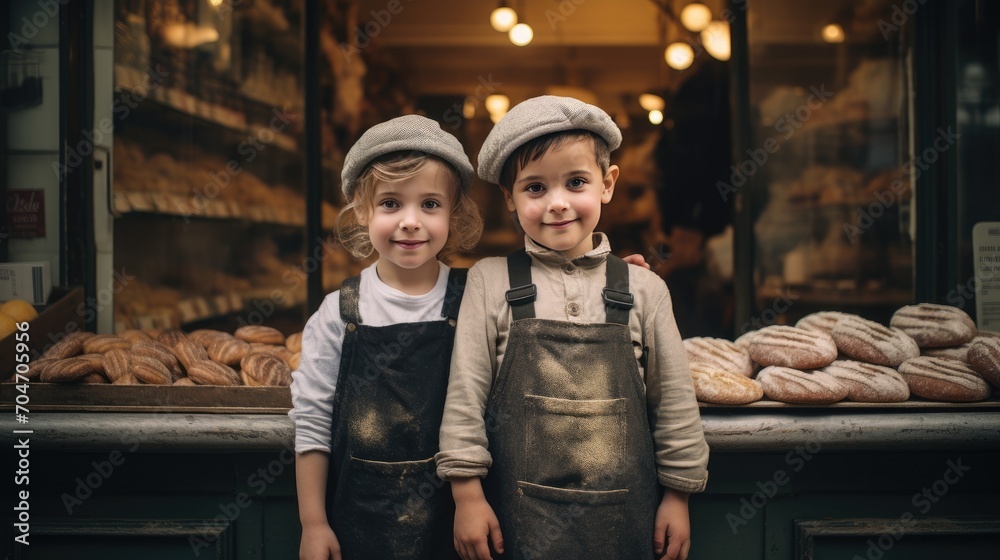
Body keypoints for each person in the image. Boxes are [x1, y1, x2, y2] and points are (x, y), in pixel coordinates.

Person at [435, 95, 710, 560]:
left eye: (576, 182)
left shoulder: (644, 289)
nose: (557, 203)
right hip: (515, 523)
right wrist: (467, 496)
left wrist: (678, 497)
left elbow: (675, 405)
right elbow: (465, 398)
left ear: (607, 183)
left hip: (626, 523)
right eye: (535, 188)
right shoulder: (490, 280)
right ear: (509, 198)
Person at [290, 114, 484, 560]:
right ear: (363, 211)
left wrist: (604, 273)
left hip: (457, 517)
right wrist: (313, 523)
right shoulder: (339, 313)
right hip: (363, 519)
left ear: (453, 213)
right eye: (391, 204)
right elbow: (314, 421)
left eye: (430, 204)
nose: (411, 221)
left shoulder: (477, 296)